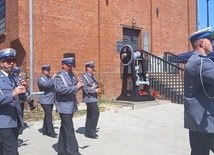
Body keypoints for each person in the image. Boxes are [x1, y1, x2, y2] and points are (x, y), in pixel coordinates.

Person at [184, 26, 214, 155]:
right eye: (210, 39)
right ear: (202, 43)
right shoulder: (202, 63)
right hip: (206, 122)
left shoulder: (194, 61)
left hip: (195, 120)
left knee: (199, 152)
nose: (212, 43)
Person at [0, 48, 27, 155]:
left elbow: (22, 97)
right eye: (8, 61)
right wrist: (12, 94)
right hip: (3, 122)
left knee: (4, 151)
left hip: (15, 120)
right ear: (1, 63)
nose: (12, 64)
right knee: (12, 152)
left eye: (13, 61)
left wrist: (25, 88)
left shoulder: (14, 78)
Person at [54, 57, 83, 155]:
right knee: (70, 129)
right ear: (63, 65)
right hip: (64, 106)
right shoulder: (59, 76)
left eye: (71, 65)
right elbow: (60, 90)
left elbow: (74, 89)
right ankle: (75, 152)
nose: (70, 67)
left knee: (64, 128)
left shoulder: (71, 75)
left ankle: (61, 150)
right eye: (68, 65)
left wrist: (79, 84)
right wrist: (76, 87)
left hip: (70, 105)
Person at [81, 61, 101, 139]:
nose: (92, 69)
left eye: (93, 68)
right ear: (87, 68)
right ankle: (91, 131)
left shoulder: (92, 76)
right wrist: (94, 91)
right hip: (89, 98)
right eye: (91, 68)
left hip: (93, 98)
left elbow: (94, 85)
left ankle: (88, 131)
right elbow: (85, 88)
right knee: (95, 112)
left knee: (90, 114)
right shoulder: (84, 76)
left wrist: (98, 85)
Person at [37, 65, 57, 138]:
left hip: (51, 100)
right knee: (49, 115)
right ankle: (51, 132)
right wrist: (53, 79)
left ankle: (45, 130)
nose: (48, 72)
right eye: (46, 70)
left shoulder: (50, 78)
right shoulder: (40, 79)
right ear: (43, 71)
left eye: (49, 70)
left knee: (47, 115)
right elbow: (46, 85)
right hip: (44, 100)